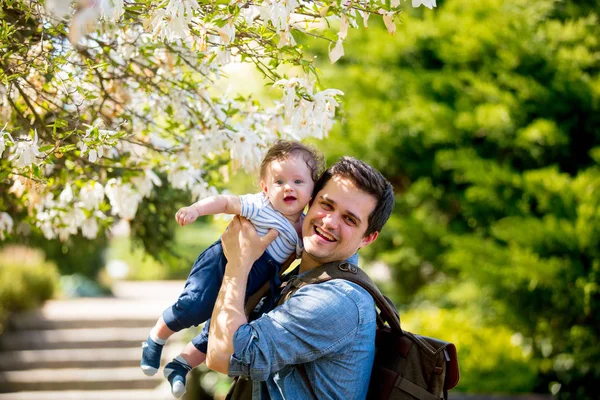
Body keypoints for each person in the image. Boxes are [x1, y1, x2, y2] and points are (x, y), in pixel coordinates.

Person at [140, 140, 328, 398]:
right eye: (279, 182)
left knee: (220, 328)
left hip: (257, 276)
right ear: (265, 188)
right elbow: (226, 202)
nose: (288, 188)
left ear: (311, 191)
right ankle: (156, 337)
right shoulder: (261, 206)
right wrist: (196, 210)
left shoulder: (304, 229)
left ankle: (180, 364)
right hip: (223, 261)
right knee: (194, 306)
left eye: (298, 182)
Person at [206, 157, 394, 399]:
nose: (329, 222)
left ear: (367, 238)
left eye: (349, 219)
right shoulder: (303, 278)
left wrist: (238, 263)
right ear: (309, 202)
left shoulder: (335, 299)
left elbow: (222, 355)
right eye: (326, 205)